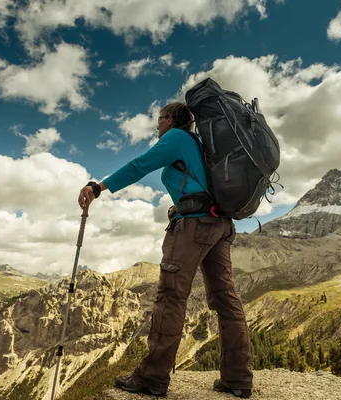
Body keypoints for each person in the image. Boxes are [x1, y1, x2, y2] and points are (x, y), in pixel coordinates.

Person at [78, 102, 253, 398]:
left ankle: (152, 378)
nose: (156, 125)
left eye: (159, 119)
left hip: (194, 226)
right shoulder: (199, 144)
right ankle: (238, 379)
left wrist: (98, 188)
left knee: (170, 296)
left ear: (170, 119)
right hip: (219, 224)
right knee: (225, 298)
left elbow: (140, 165)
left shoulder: (177, 138)